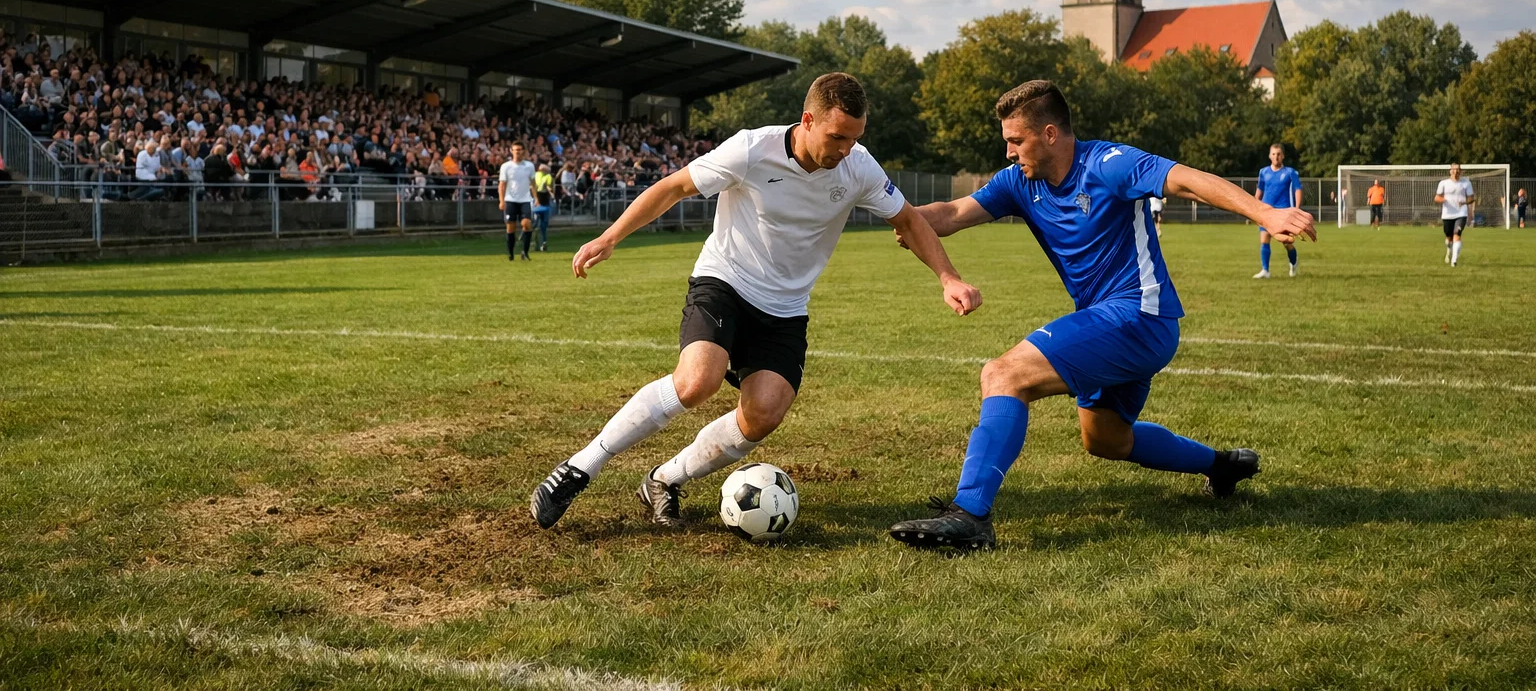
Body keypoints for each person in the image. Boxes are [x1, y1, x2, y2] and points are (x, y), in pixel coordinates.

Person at [530, 72, 982, 531]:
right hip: (725, 280)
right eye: (837, 136)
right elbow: (674, 187)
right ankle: (581, 465)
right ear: (807, 120)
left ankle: (664, 480)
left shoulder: (859, 167)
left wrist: (949, 278)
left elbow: (908, 220)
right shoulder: (751, 149)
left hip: (785, 307)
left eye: (855, 138)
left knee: (764, 413)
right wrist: (609, 238)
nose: (846, 149)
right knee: (696, 382)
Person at [886, 80, 1315, 551]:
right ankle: (1222, 466)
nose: (1008, 152)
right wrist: (893, 211)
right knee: (1106, 440)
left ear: (1050, 134)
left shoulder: (1109, 164)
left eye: (1016, 140)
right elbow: (949, 212)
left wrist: (1265, 214)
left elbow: (1186, 179)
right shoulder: (1019, 182)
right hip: (1111, 324)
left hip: (1139, 316)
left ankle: (970, 515)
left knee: (1003, 375)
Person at [1253, 143, 1302, 278]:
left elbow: (1298, 189)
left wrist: (1296, 209)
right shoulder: (1263, 172)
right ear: (1270, 156)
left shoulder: (1290, 172)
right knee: (1264, 239)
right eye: (1274, 154)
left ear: (1283, 156)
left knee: (1287, 243)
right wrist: (1253, 207)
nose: (1276, 157)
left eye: (1279, 154)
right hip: (1266, 210)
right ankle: (1265, 271)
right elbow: (1260, 191)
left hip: (1283, 211)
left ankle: (1293, 262)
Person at [498, 141, 536, 261]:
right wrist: (501, 200)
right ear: (511, 151)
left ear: (523, 151)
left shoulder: (529, 166)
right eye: (516, 150)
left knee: (526, 224)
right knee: (511, 228)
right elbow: (502, 184)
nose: (518, 152)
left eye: (520, 149)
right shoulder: (506, 166)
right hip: (510, 200)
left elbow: (533, 183)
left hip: (525, 199)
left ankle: (525, 252)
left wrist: (536, 198)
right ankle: (511, 254)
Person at [1435, 163, 1475, 267]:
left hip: (1461, 213)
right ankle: (1449, 249)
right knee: (1449, 239)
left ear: (1460, 171)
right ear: (1450, 171)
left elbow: (1471, 198)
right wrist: (1444, 200)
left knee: (1457, 234)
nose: (1456, 171)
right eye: (1454, 169)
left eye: (1458, 169)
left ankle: (1454, 260)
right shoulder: (1443, 183)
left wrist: (1465, 203)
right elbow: (1436, 198)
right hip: (1447, 214)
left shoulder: (1466, 183)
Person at [532, 162, 555, 251]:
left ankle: (538, 243)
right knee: (540, 226)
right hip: (540, 204)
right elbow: (549, 188)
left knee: (537, 225)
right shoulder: (545, 177)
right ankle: (538, 243)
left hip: (539, 204)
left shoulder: (539, 177)